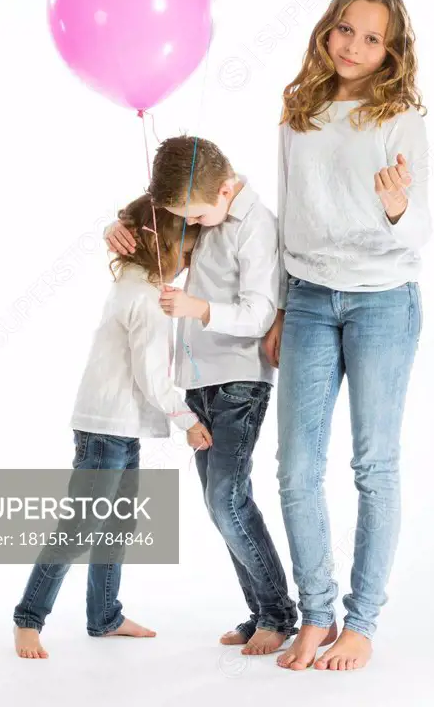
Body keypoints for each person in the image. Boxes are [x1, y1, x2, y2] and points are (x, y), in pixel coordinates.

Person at [264, 0, 431, 672]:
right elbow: (285, 211)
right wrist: (276, 306)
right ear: (327, 30)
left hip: (382, 301)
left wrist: (396, 208)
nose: (354, 47)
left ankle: (360, 623)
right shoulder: (298, 110)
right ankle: (317, 613)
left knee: (373, 464)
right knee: (297, 468)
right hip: (306, 298)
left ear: (389, 51)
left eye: (371, 38)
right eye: (345, 30)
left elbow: (420, 227)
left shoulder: (400, 117)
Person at [105, 137, 299, 655]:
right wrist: (116, 228)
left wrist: (198, 308)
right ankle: (261, 610)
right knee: (222, 506)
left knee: (227, 498)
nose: (187, 223)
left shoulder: (255, 226)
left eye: (191, 214)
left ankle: (280, 615)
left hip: (239, 378)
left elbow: (260, 311)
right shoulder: (202, 213)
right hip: (199, 381)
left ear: (226, 190)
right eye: (180, 215)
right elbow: (148, 223)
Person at [13, 195, 211, 659]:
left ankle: (104, 616)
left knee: (116, 526)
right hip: (105, 430)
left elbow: (145, 212)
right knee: (79, 528)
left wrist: (123, 223)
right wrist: (189, 421)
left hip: (117, 428)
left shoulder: (135, 280)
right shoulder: (146, 298)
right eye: (184, 257)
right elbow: (151, 376)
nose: (185, 269)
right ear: (162, 249)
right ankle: (28, 618)